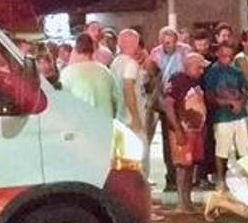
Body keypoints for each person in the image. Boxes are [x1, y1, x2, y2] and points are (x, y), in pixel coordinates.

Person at [162, 53, 208, 213]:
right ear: (189, 66)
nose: (202, 71)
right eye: (199, 67)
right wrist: (177, 129)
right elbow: (168, 105)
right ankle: (181, 203)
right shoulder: (177, 80)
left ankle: (187, 201)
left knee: (190, 166)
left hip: (195, 130)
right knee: (182, 166)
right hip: (183, 130)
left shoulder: (195, 82)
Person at [203, 41, 248, 190]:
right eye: (224, 55)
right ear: (218, 54)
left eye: (229, 56)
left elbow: (244, 91)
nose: (227, 58)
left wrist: (241, 103)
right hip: (222, 116)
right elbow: (210, 96)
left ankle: (245, 177)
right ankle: (221, 179)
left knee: (244, 149)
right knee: (222, 150)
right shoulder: (212, 72)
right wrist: (229, 102)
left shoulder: (236, 71)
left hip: (239, 115)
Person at [150, 27, 190, 191]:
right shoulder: (155, 54)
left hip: (183, 100)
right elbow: (154, 77)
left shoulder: (185, 51)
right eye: (165, 43)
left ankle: (188, 177)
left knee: (187, 137)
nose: (169, 46)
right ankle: (171, 177)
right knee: (168, 140)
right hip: (165, 100)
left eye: (171, 42)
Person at [111, 29, 149, 174]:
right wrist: (135, 117)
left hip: (120, 117)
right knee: (139, 158)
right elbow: (128, 88)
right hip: (131, 118)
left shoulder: (116, 62)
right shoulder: (131, 64)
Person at [60, 33, 116, 118]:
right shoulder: (106, 71)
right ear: (93, 50)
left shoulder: (67, 73)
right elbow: (115, 99)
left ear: (75, 50)